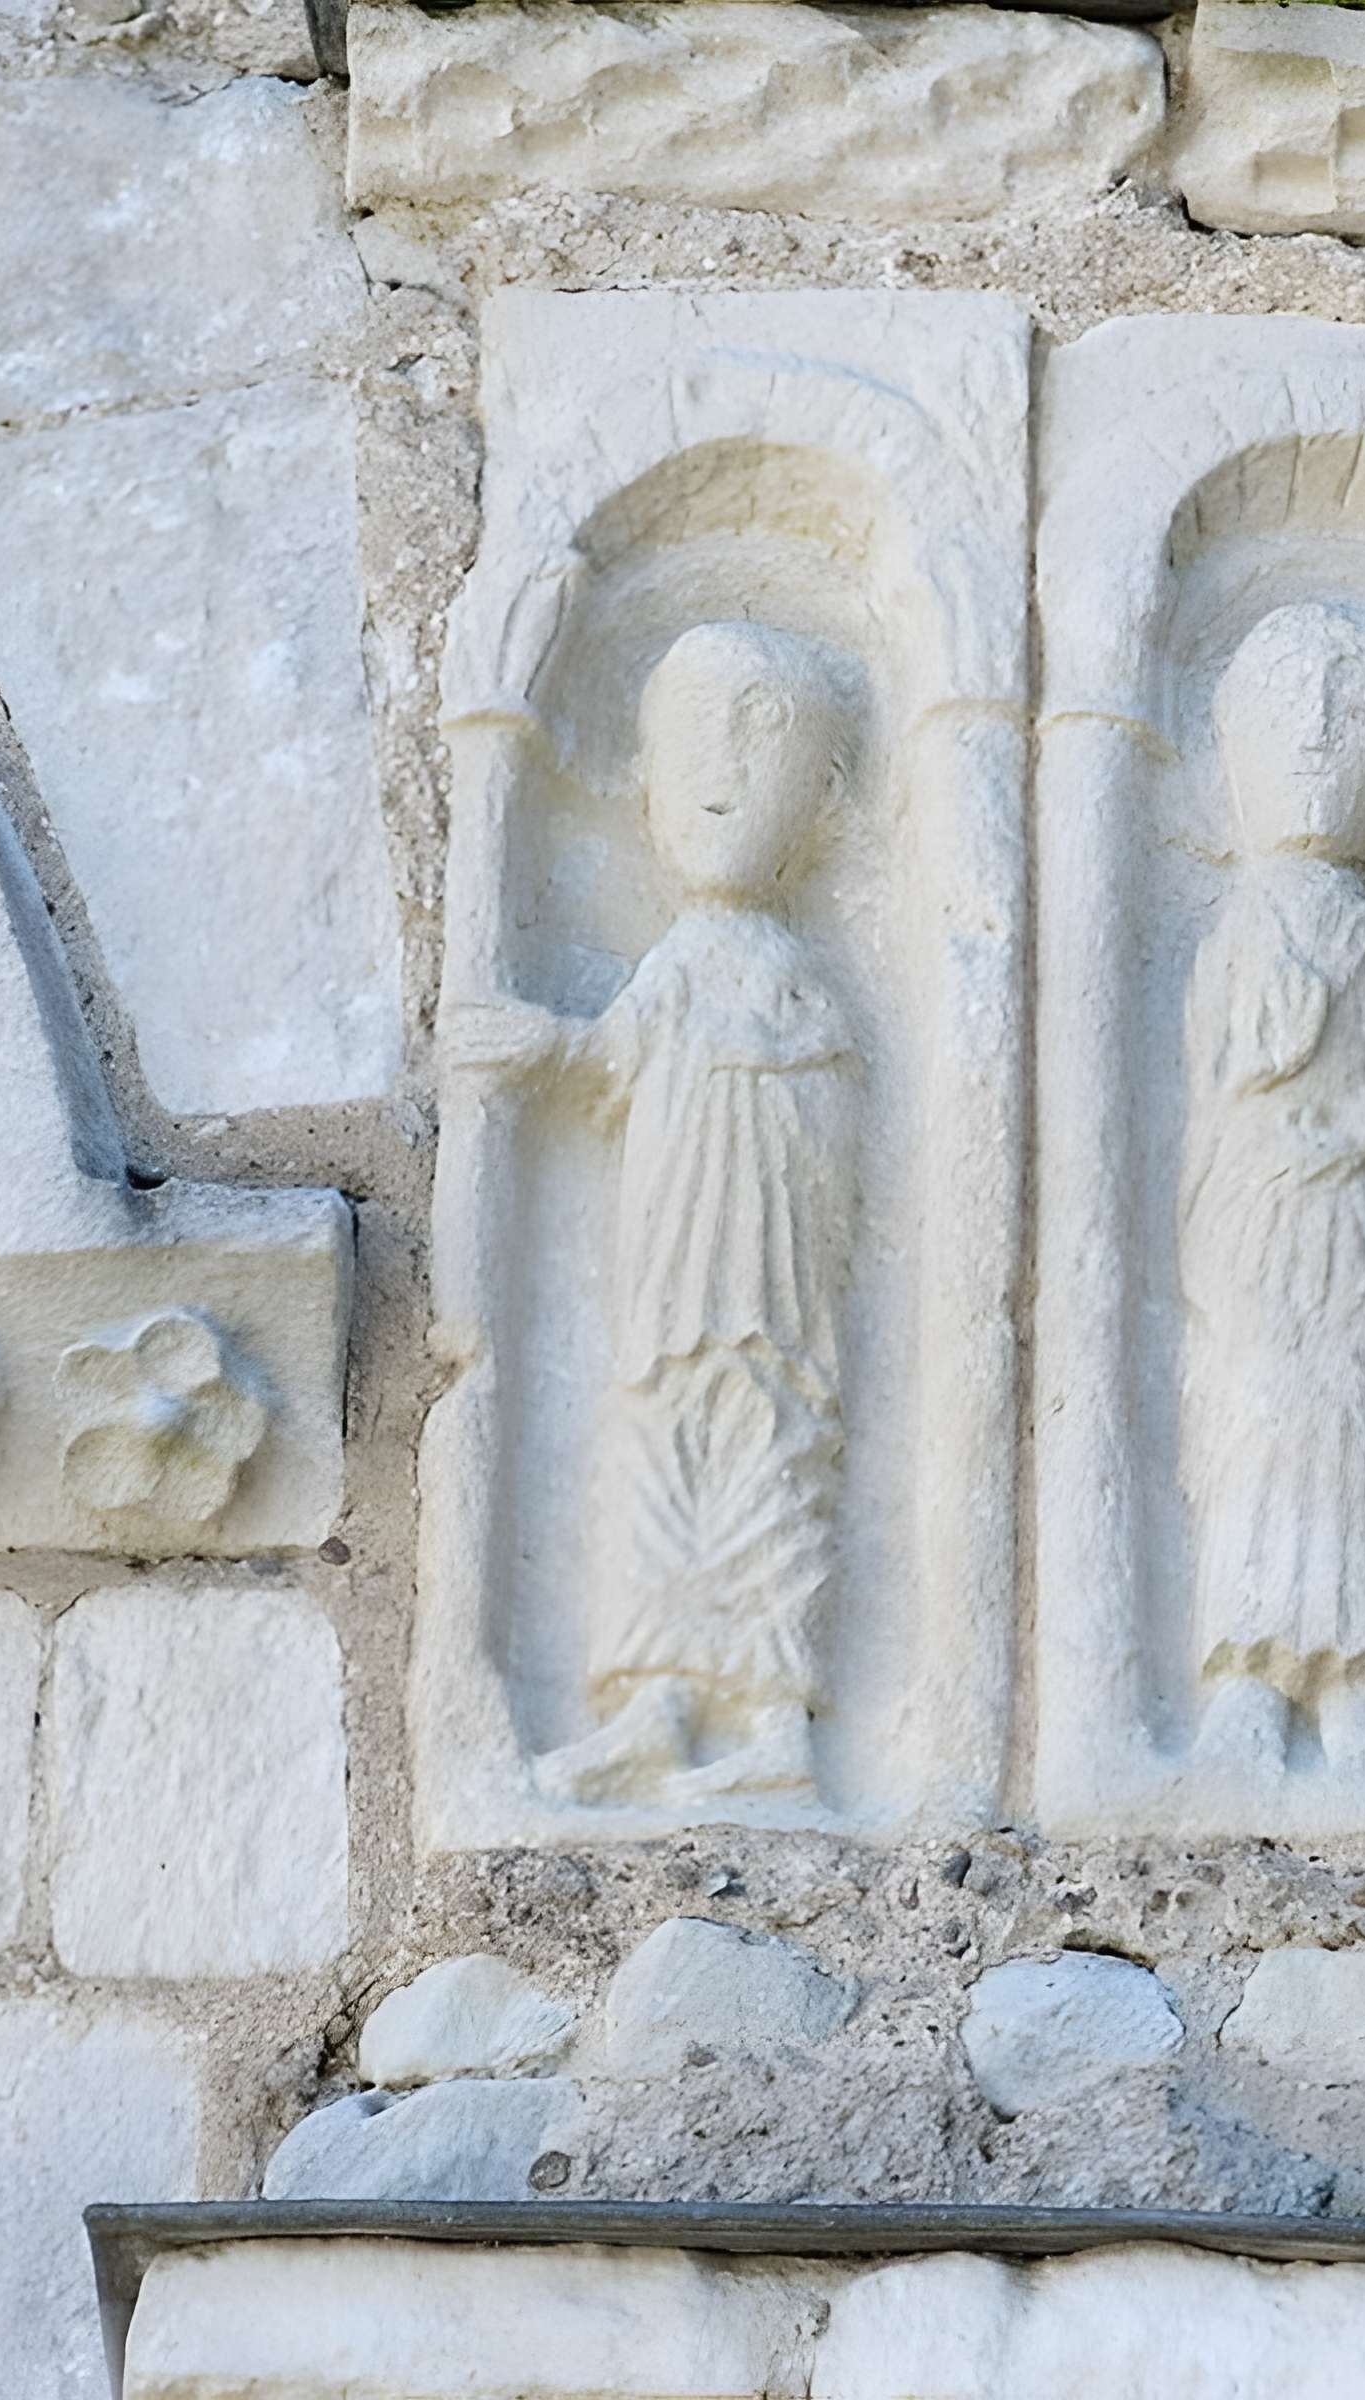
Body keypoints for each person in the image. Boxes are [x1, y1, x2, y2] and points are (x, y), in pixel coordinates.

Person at [448, 619, 862, 1807]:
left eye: (755, 748)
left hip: (770, 1293)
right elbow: (619, 1061)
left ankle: (776, 1727)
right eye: (692, 752)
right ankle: (659, 1705)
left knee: (772, 1471)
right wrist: (540, 1048)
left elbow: (816, 1103)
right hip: (670, 1281)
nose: (719, 779)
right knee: (657, 1466)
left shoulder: (789, 973)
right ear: (644, 788)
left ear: (822, 799)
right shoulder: (678, 960)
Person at [1178, 602, 1365, 1779]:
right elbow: (1240, 1065)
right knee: (1259, 1412)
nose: (1320, 740)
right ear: (1233, 751)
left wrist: (1357, 1134)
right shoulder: (1236, 925)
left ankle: (1353, 1685)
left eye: (1350, 715)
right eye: (1289, 715)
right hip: (1258, 1228)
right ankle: (1244, 1682)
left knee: (1354, 1424)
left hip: (1358, 1230)